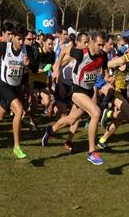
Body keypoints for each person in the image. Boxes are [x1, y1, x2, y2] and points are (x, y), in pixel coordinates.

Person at [43, 31, 108, 165]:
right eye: (99, 44)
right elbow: (64, 51)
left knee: (71, 119)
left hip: (89, 91)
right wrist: (56, 69)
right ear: (91, 42)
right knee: (96, 113)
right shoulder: (80, 53)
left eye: (103, 44)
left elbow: (104, 73)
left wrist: (106, 81)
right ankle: (91, 152)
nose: (101, 47)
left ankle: (50, 130)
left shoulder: (103, 55)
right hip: (77, 91)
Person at [0, 24, 37, 159]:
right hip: (3, 85)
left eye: (24, 39)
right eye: (19, 39)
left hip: (16, 87)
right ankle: (17, 147)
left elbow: (35, 68)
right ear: (12, 37)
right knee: (18, 110)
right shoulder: (4, 47)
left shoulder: (27, 49)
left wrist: (29, 63)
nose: (22, 42)